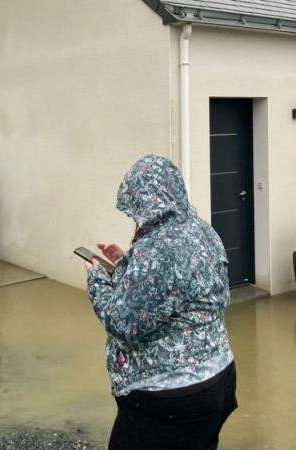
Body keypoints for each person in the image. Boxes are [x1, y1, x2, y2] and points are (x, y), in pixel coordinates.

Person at [85, 154, 237, 450]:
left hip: (169, 398)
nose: (136, 216)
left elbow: (124, 322)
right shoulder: (202, 230)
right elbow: (184, 287)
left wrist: (96, 279)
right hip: (219, 380)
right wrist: (127, 263)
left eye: (136, 207)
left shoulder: (156, 247)